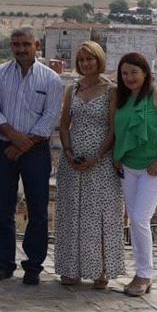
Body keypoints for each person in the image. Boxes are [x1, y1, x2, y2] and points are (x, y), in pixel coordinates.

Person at [0, 26, 64, 285]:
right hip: (2, 148)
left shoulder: (51, 79)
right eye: (16, 44)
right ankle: (4, 262)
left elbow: (51, 117)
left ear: (36, 45)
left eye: (25, 44)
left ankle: (33, 264)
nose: (20, 49)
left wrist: (22, 144)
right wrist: (13, 136)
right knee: (3, 207)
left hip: (35, 150)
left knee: (38, 209)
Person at [113, 52, 157, 297]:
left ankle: (144, 274)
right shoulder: (120, 97)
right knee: (134, 219)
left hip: (155, 167)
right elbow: (117, 131)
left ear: (145, 72)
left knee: (141, 218)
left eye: (134, 72)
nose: (129, 77)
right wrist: (118, 157)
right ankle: (141, 273)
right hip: (128, 167)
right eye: (124, 73)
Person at [54, 41, 123, 289]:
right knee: (72, 214)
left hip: (101, 161)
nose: (85, 63)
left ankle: (100, 270)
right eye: (82, 60)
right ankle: (72, 269)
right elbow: (63, 125)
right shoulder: (72, 89)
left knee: (99, 215)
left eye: (90, 59)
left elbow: (114, 129)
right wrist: (69, 152)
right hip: (73, 160)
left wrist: (97, 157)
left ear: (99, 60)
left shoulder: (112, 90)